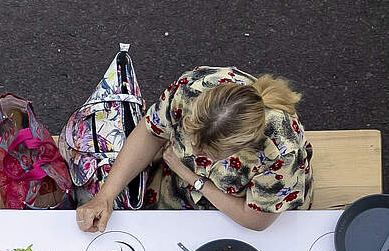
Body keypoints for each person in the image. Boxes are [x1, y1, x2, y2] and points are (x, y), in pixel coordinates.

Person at [75, 66, 309, 233]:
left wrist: (192, 177)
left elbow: (256, 220)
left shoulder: (282, 150)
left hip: (239, 210)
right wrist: (105, 196)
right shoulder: (193, 88)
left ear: (241, 147)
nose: (193, 154)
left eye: (207, 154)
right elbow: (150, 131)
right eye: (189, 138)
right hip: (180, 190)